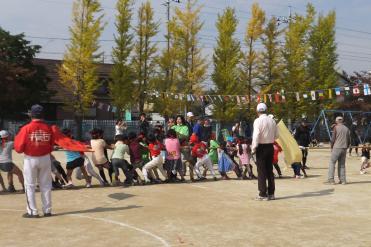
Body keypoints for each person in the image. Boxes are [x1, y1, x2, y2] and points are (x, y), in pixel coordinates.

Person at [14, 104, 55, 218]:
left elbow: (18, 148)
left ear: (31, 114)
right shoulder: (48, 127)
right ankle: (47, 210)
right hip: (45, 158)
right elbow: (52, 145)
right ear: (42, 115)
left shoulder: (26, 128)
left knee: (30, 185)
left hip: (31, 158)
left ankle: (33, 211)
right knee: (46, 185)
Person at [251, 103, 278, 201]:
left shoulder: (257, 121)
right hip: (270, 146)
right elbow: (277, 135)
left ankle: (262, 194)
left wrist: (253, 148)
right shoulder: (272, 121)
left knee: (261, 171)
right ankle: (271, 193)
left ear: (257, 111)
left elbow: (256, 135)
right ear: (266, 110)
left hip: (261, 147)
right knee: (269, 170)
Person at [326, 116, 351, 185]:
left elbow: (333, 139)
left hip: (337, 147)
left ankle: (331, 180)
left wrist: (331, 147)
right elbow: (349, 140)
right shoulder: (347, 128)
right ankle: (343, 180)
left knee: (332, 163)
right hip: (344, 148)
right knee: (342, 165)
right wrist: (346, 146)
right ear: (342, 121)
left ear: (336, 121)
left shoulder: (336, 128)